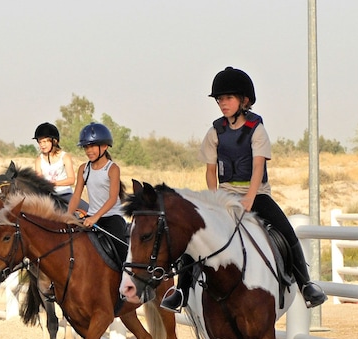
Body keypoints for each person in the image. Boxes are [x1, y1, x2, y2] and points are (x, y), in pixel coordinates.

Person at [159, 66, 327, 312]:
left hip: (256, 195)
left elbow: (258, 168)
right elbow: (210, 170)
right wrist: (214, 199)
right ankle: (182, 292)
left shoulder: (257, 129)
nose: (222, 103)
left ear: (244, 100)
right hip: (225, 195)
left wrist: (249, 198)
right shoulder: (215, 131)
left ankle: (305, 284)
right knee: (196, 234)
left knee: (286, 230)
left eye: (228, 98)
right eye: (219, 99)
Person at [66, 122, 128, 263]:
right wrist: (67, 215)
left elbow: (112, 198)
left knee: (122, 252)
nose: (89, 151)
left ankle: (128, 280)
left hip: (112, 217)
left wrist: (95, 217)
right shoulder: (84, 168)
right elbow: (76, 196)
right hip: (90, 217)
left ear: (105, 146)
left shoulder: (112, 169)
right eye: (86, 147)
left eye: (93, 146)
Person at [32, 122, 78, 209]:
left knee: (88, 211)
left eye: (45, 141)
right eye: (40, 142)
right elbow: (38, 181)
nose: (42, 145)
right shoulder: (38, 160)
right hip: (47, 197)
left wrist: (53, 184)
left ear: (55, 141)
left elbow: (71, 180)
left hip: (65, 194)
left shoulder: (65, 157)